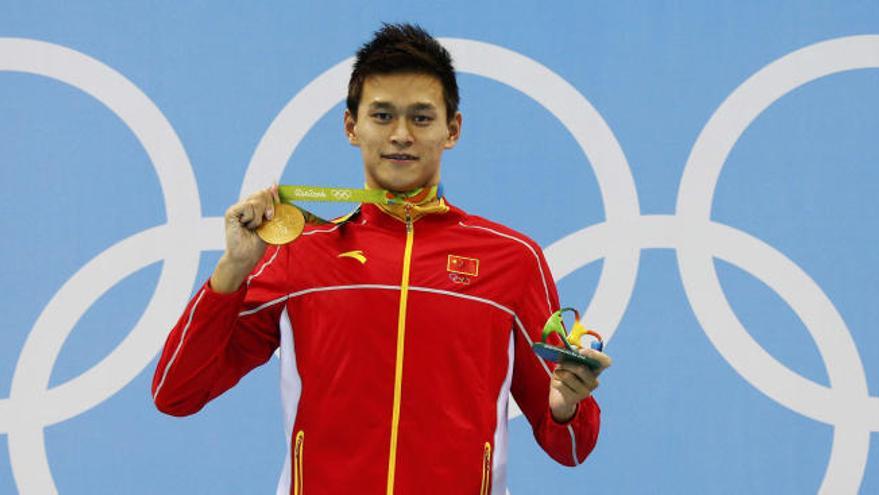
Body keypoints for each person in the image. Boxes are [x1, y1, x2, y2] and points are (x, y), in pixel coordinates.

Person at [152, 23, 612, 495]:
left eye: (421, 117)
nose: (401, 135)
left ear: (452, 130)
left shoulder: (511, 260)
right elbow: (177, 393)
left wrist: (565, 406)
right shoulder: (301, 255)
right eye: (383, 115)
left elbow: (572, 447)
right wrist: (232, 270)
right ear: (352, 127)